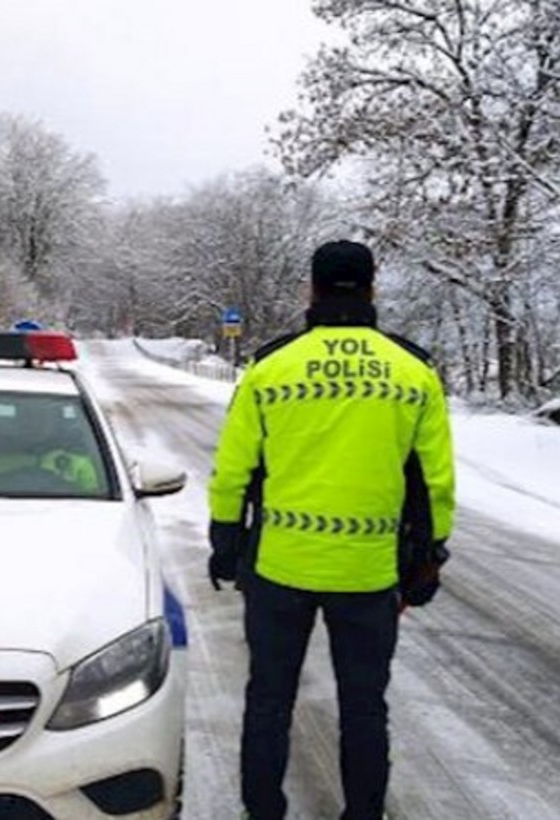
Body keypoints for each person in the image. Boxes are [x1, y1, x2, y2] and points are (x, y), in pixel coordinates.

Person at [207, 240, 456, 820]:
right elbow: (433, 481)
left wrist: (226, 544)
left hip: (279, 569)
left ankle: (263, 810)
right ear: (372, 290)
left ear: (310, 290)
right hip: (368, 575)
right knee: (365, 706)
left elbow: (233, 470)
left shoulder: (270, 368)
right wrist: (428, 558)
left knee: (268, 700)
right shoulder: (413, 372)